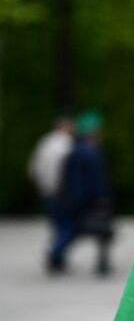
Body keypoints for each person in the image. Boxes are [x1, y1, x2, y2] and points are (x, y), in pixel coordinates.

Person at [52, 110, 115, 275]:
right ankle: (56, 256)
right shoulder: (90, 151)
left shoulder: (75, 149)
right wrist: (101, 198)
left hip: (74, 199)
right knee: (99, 231)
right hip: (85, 201)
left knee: (72, 230)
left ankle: (56, 257)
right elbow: (96, 179)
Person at [28, 112, 74, 273]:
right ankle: (55, 254)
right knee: (67, 227)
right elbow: (67, 174)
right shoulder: (67, 145)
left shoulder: (45, 141)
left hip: (46, 192)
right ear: (66, 126)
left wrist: (41, 186)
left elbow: (33, 168)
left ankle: (58, 259)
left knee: (58, 226)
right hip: (60, 193)